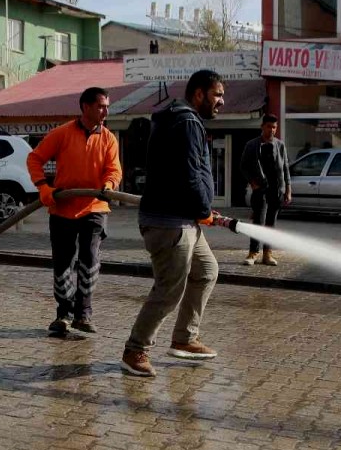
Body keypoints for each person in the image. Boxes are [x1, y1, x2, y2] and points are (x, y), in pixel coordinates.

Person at [122, 69, 225, 378]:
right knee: (169, 290)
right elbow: (190, 173)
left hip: (184, 219)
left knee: (207, 270)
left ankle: (185, 338)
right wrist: (203, 208)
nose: (221, 101)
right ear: (199, 94)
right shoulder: (188, 122)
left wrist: (200, 212)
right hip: (171, 223)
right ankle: (135, 350)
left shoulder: (175, 118)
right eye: (217, 94)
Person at [27, 87, 123, 337]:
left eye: (107, 106)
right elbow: (35, 159)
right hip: (62, 206)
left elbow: (114, 170)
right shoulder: (62, 133)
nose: (106, 111)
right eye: (101, 106)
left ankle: (83, 314)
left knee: (89, 259)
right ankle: (64, 314)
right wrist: (43, 187)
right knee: (63, 262)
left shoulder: (109, 138)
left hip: (95, 206)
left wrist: (108, 186)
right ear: (86, 107)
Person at [240, 114, 292, 266]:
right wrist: (252, 182)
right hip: (260, 190)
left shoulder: (280, 145)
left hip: (277, 190)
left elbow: (285, 168)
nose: (271, 130)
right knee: (258, 221)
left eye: (274, 127)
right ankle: (253, 253)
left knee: (271, 223)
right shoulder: (252, 145)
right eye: (269, 126)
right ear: (262, 126)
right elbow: (243, 166)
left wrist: (288, 189)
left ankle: (267, 254)